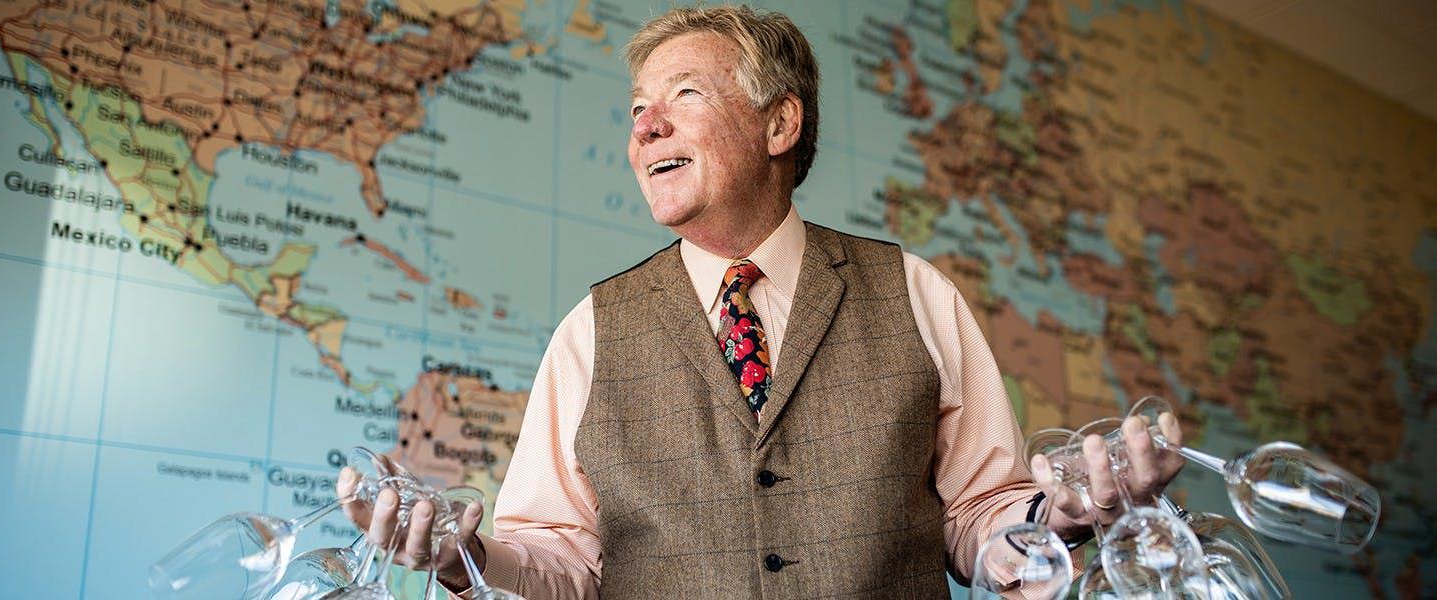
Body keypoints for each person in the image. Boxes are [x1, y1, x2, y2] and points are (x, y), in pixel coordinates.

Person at [337, 6, 1185, 598]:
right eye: (638, 109)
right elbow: (561, 560)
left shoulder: (916, 294)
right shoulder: (590, 332)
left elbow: (982, 515)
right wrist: (463, 558)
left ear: (780, 125)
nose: (644, 128)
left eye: (683, 96)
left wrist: (1063, 518)